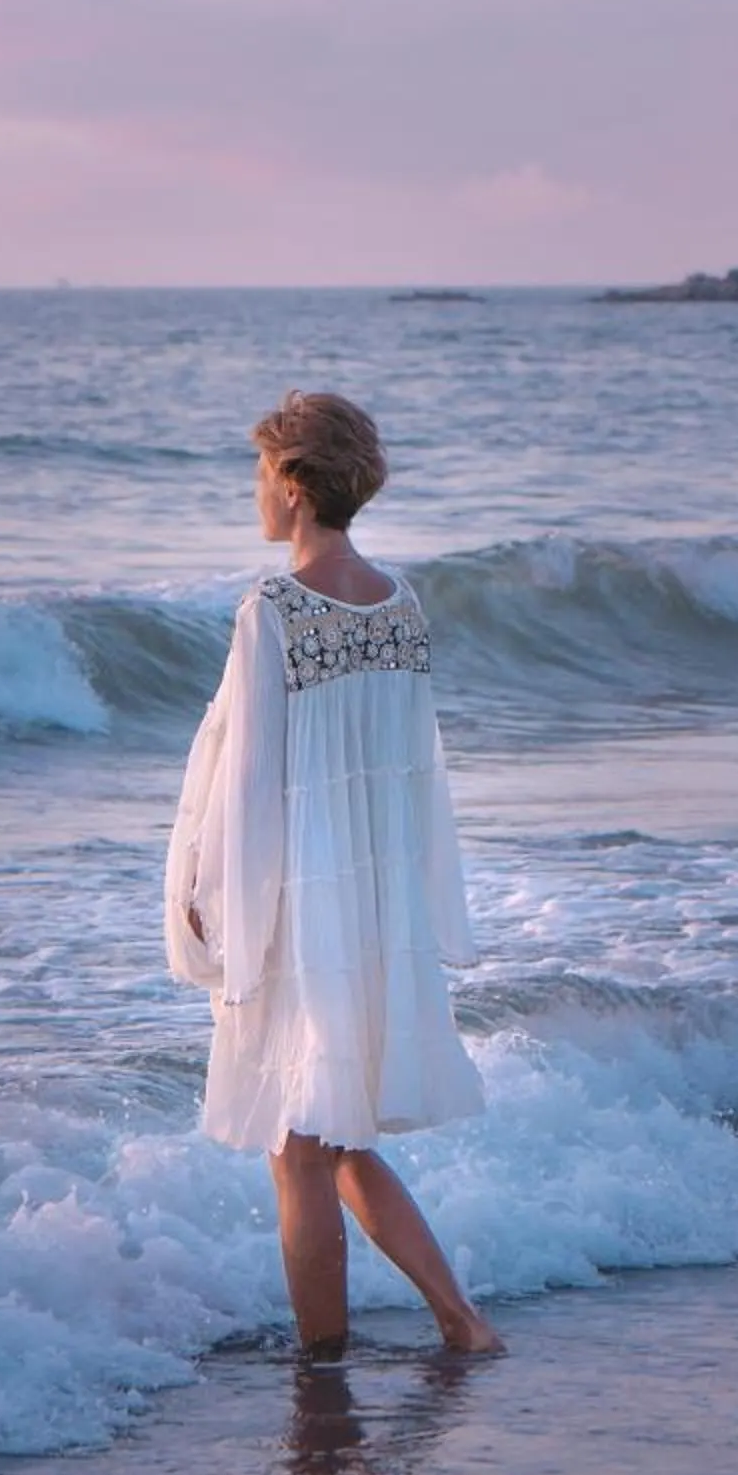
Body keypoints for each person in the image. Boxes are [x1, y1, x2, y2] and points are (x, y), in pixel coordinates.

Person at [166, 389, 503, 1359]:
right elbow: (414, 773)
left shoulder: (272, 611)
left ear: (294, 484)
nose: (254, 492)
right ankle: (460, 1323)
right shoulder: (402, 606)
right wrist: (419, 905)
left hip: (300, 907)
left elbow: (249, 782)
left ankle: (323, 1373)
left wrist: (217, 901)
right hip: (372, 903)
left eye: (260, 472)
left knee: (298, 1155)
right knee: (338, 1140)